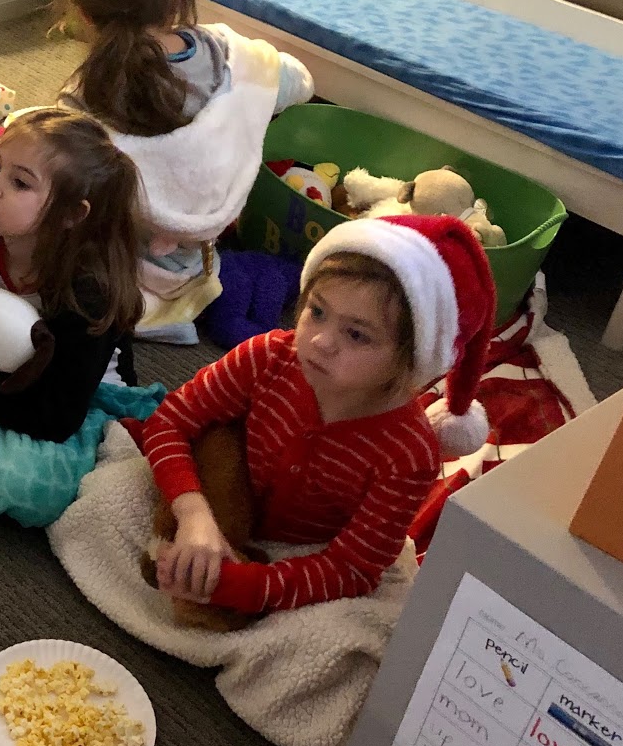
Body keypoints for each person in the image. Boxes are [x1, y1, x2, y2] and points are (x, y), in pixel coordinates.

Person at [144, 214, 496, 613]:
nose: (321, 341)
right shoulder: (266, 356)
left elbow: (353, 569)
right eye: (317, 311)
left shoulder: (409, 454)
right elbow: (168, 421)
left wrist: (242, 586)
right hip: (228, 494)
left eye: (357, 334)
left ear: (410, 360)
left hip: (302, 546)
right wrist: (193, 513)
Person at [58, 0, 314, 343]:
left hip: (117, 264)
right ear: (176, 1)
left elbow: (66, 182)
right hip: (201, 251)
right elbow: (296, 82)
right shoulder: (224, 54)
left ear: (82, 12)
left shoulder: (82, 98)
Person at [0, 107, 145, 443]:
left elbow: (56, 417)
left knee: (11, 470)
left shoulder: (88, 296)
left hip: (67, 399)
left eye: (20, 183)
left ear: (70, 214)